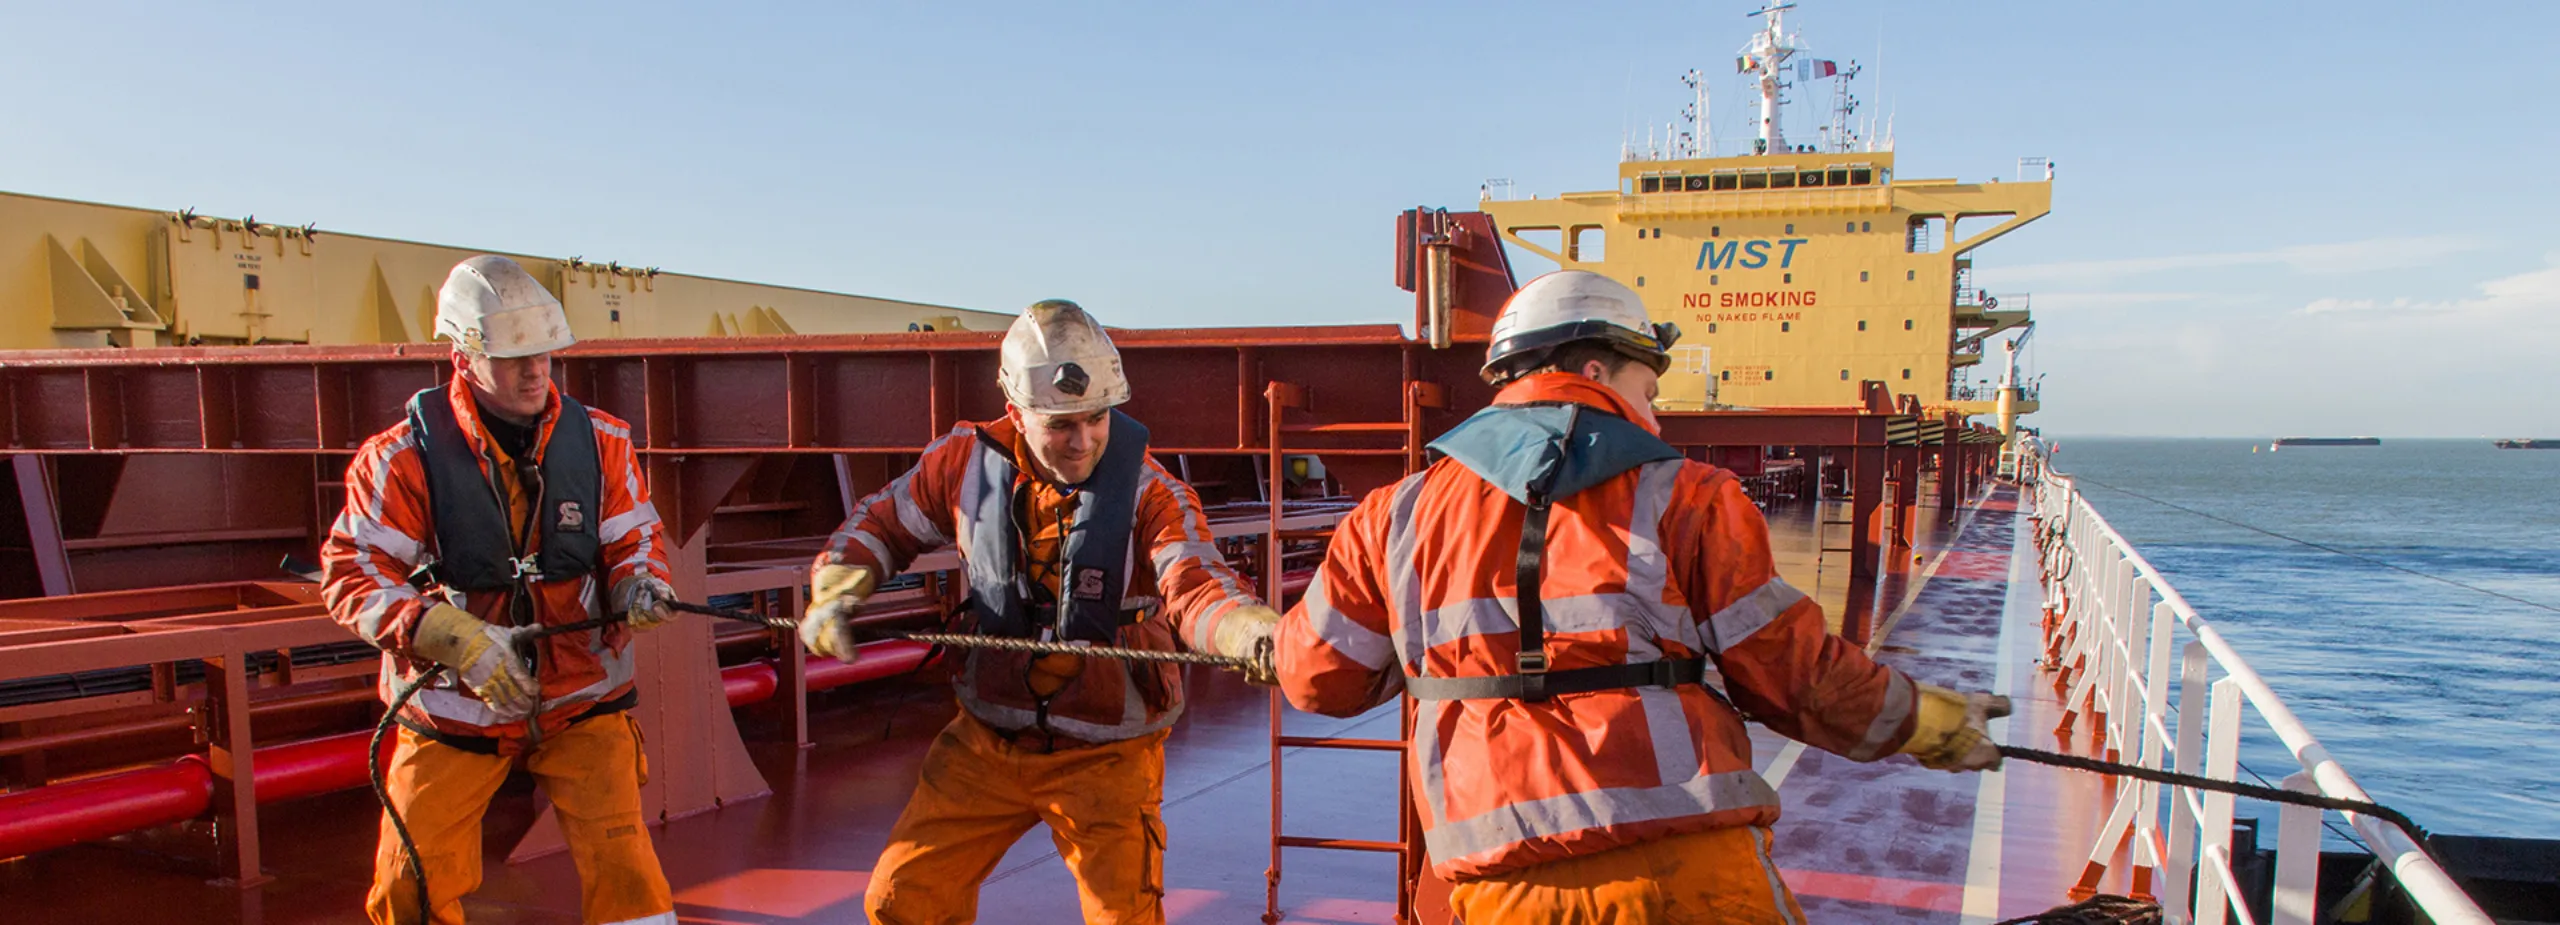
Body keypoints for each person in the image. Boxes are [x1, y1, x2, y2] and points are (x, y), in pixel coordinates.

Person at [1272, 270, 2008, 924]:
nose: (1654, 417)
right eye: (1647, 390)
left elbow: (1317, 676)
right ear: (1596, 370)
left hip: (1505, 885)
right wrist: (1925, 721)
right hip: (1690, 864)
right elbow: (1795, 672)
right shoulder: (1689, 493)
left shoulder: (1394, 513)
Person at [798, 299, 1280, 925]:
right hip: (987, 741)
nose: (1083, 442)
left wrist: (1249, 632)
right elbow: (883, 524)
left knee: (1122, 918)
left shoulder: (1152, 493)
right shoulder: (962, 465)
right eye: (1060, 425)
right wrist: (836, 589)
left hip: (1107, 752)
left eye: (1097, 419)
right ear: (1016, 413)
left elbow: (1195, 583)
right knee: (902, 899)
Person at [320, 255, 679, 925]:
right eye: (514, 356)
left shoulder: (602, 443)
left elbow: (635, 539)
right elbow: (352, 574)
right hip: (456, 710)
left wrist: (640, 583)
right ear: (463, 358)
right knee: (411, 881)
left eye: (543, 353)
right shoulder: (400, 460)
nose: (535, 370)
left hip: (581, 699)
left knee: (626, 866)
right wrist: (453, 638)